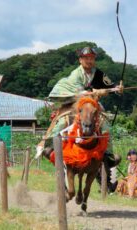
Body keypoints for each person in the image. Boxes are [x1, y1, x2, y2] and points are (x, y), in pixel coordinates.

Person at [37, 47, 122, 181]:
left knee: (104, 124)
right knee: (62, 122)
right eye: (86, 58)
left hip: (92, 105)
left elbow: (109, 85)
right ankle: (49, 147)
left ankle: (107, 154)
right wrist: (95, 91)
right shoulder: (76, 74)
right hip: (75, 104)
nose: (89, 60)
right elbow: (81, 91)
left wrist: (117, 88)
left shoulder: (98, 73)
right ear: (80, 60)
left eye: (92, 58)